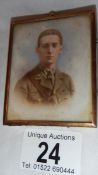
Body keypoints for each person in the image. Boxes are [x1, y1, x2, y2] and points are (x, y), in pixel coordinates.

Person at [14, 29, 74, 105]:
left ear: (60, 49)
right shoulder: (24, 83)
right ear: (38, 50)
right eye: (45, 46)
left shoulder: (67, 81)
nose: (50, 50)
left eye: (54, 45)